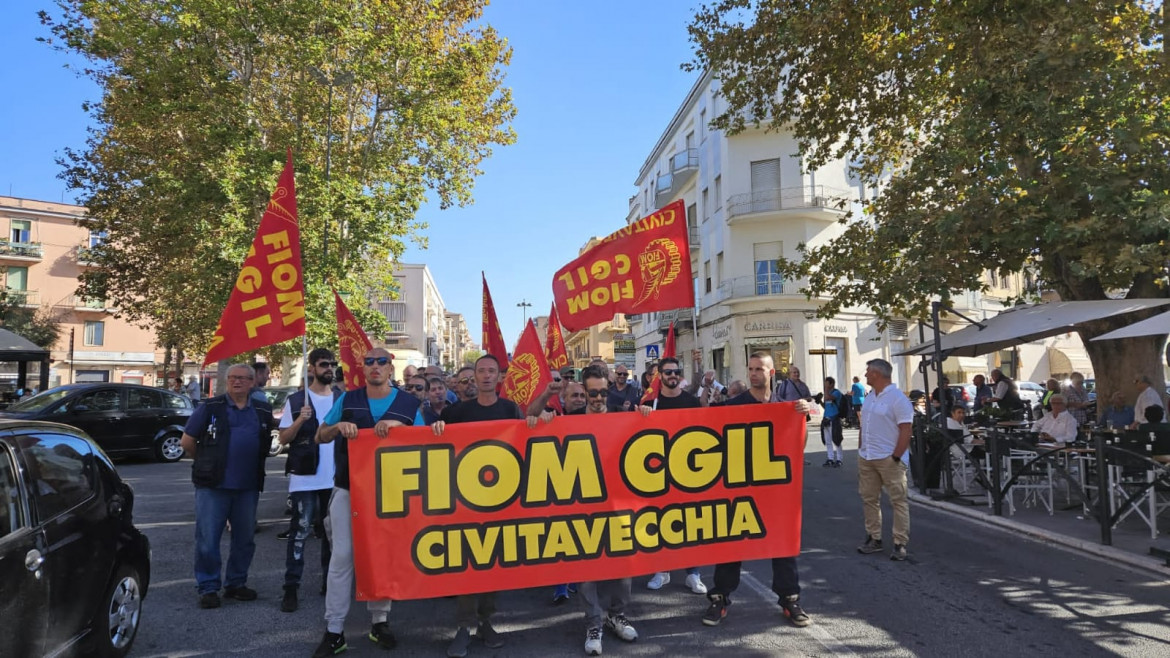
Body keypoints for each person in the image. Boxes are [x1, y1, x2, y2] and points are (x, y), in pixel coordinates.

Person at [311, 348, 424, 658]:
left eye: (382, 362)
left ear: (391, 369)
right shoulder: (347, 400)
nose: (375, 366)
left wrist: (403, 430)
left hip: (390, 493)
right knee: (342, 557)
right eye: (369, 362)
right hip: (348, 489)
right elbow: (320, 435)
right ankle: (334, 630)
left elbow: (427, 442)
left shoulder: (408, 404)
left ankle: (380, 621)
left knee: (382, 556)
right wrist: (337, 428)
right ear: (363, 369)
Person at [703, 353, 812, 629]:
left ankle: (789, 597)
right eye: (750, 369)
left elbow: (797, 445)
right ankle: (720, 597)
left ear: (771, 372)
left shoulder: (785, 407)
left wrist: (801, 418)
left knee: (783, 543)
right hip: (739, 485)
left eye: (759, 369)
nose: (754, 374)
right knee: (731, 543)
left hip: (774, 487)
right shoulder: (734, 405)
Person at [432, 354, 519, 657]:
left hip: (500, 502)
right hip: (464, 503)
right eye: (480, 371)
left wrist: (538, 420)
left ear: (499, 377)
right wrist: (438, 429)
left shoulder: (510, 409)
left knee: (492, 566)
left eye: (490, 371)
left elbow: (525, 442)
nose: (484, 376)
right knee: (468, 566)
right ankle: (463, 627)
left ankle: (486, 622)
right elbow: (437, 445)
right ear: (473, 377)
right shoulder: (457, 412)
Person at [180, 363, 276, 609]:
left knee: (244, 540)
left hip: (248, 486)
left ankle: (236, 584)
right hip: (213, 486)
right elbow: (187, 442)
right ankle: (209, 587)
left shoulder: (263, 409)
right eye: (232, 377)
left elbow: (272, 440)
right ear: (226, 380)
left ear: (252, 382)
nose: (237, 382)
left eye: (243, 378)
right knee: (208, 539)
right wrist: (205, 463)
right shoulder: (210, 408)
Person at [575, 364, 645, 655]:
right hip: (583, 506)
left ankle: (617, 615)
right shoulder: (569, 421)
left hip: (619, 504)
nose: (599, 398)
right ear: (584, 392)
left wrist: (647, 417)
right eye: (593, 392)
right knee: (587, 568)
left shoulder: (623, 415)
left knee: (622, 565)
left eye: (604, 391)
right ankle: (594, 622)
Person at [276, 349, 340, 613]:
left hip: (335, 478)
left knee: (331, 534)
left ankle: (329, 583)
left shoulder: (341, 399)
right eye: (324, 364)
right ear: (312, 368)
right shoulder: (296, 401)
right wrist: (301, 420)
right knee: (300, 534)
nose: (329, 369)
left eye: (332, 364)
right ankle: (291, 588)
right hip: (305, 477)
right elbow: (282, 439)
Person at [643, 357, 708, 595]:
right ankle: (662, 570)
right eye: (668, 372)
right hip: (657, 472)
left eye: (676, 371)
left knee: (690, 523)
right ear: (659, 375)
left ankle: (693, 573)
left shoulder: (691, 402)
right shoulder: (651, 402)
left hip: (688, 472)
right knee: (661, 522)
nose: (672, 375)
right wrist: (643, 415)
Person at [856, 358, 914, 562]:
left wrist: (896, 456)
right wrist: (861, 446)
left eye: (868, 371)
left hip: (888, 458)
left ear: (877, 374)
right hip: (868, 456)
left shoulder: (898, 399)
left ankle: (900, 542)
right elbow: (865, 423)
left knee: (898, 500)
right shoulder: (871, 396)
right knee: (869, 498)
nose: (865, 375)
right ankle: (874, 537)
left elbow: (906, 429)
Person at [821, 377, 845, 467]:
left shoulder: (836, 392)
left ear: (831, 384)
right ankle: (830, 458)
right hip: (826, 418)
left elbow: (828, 398)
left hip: (834, 418)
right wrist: (819, 401)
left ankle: (839, 459)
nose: (825, 385)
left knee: (836, 439)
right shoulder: (828, 393)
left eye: (827, 383)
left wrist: (826, 389)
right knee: (828, 440)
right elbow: (826, 405)